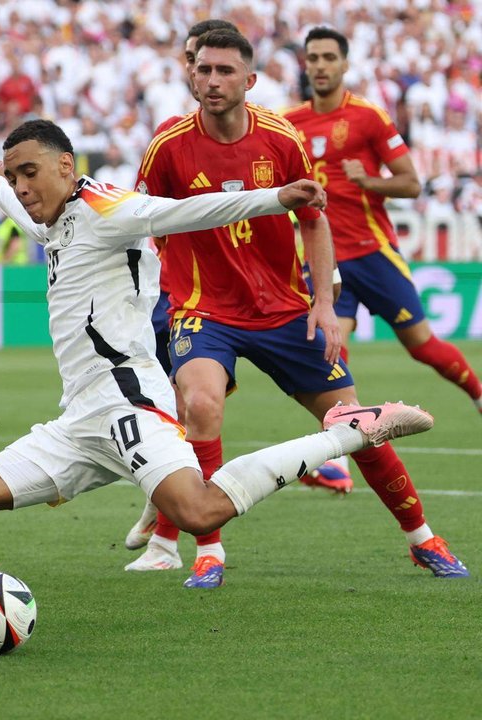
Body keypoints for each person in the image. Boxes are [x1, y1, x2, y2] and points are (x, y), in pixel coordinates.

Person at [0, 118, 435, 647]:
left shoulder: (111, 211)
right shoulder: (52, 217)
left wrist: (275, 199)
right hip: (77, 420)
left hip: (129, 403)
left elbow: (186, 211)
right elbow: (26, 214)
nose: (23, 187)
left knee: (198, 512)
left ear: (68, 165)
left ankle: (344, 434)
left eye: (30, 172)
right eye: (15, 178)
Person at [125, 30, 468, 585]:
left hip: (284, 309)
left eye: (225, 71)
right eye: (204, 70)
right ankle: (208, 551)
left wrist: (325, 304)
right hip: (204, 310)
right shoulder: (167, 145)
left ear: (249, 80)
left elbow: (313, 218)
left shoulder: (281, 139)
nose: (212, 81)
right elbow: (143, 221)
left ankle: (422, 538)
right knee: (203, 406)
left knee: (356, 425)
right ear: (192, 76)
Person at [284, 28, 482, 419]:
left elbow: (411, 183)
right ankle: (340, 448)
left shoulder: (368, 117)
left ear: (345, 63)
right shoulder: (289, 123)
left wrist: (367, 181)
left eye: (328, 57)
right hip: (326, 259)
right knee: (329, 351)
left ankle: (478, 394)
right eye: (313, 58)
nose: (320, 66)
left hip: (372, 252)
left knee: (421, 344)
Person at [123, 18, 241, 564]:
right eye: (194, 61)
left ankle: (167, 524)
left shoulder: (256, 134)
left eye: (214, 63)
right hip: (170, 293)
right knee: (173, 408)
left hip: (230, 301)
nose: (201, 72)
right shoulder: (171, 137)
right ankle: (168, 521)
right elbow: (139, 216)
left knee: (189, 410)